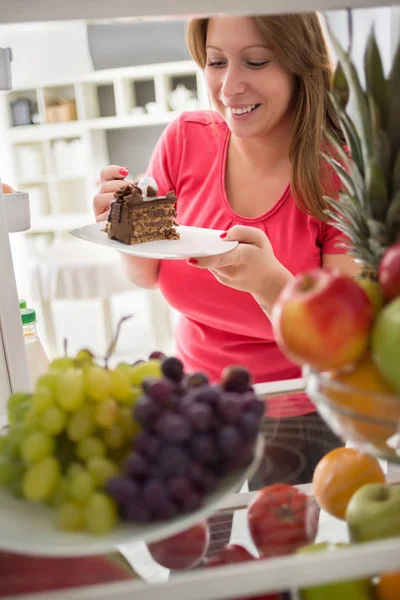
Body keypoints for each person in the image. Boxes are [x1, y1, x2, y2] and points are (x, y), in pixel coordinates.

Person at [94, 14, 356, 501]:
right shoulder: (185, 139)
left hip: (295, 409)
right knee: (187, 556)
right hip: (194, 400)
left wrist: (268, 283)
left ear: (301, 68)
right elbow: (147, 274)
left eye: (255, 61)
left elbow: (339, 348)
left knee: (281, 564)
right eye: (216, 62)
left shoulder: (338, 177)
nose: (229, 86)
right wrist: (122, 227)